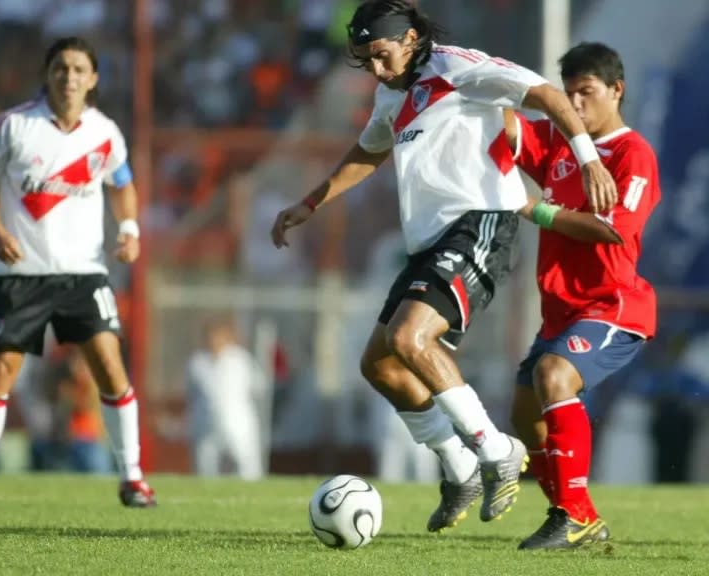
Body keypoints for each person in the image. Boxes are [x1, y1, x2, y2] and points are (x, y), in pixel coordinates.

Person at [270, 0, 617, 531]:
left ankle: (494, 448)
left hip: (481, 222)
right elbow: (368, 152)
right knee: (380, 365)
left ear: (410, 38)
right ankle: (458, 466)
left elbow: (546, 95)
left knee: (411, 340)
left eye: (382, 55)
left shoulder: (460, 67)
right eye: (368, 61)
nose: (378, 70)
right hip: (429, 242)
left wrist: (589, 158)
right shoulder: (391, 94)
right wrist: (310, 203)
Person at [0, 36, 156, 509]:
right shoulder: (16, 125)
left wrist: (128, 226)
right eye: (61, 68)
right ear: (49, 75)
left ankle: (133, 478)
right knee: (0, 369)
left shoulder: (105, 133)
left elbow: (122, 184)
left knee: (109, 367)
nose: (69, 76)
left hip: (83, 273)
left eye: (79, 69)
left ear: (93, 78)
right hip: (21, 274)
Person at [506, 42, 660, 549]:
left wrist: (538, 211)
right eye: (566, 94)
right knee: (525, 416)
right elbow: (507, 127)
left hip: (612, 305)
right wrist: (483, 81)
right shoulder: (557, 140)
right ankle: (585, 519)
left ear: (617, 91)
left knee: (553, 377)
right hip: (560, 312)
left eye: (586, 93)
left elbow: (614, 230)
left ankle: (569, 515)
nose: (574, 105)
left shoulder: (632, 153)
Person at [185, 315, 268, 480]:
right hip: (206, 423)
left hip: (238, 421)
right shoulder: (197, 362)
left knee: (246, 464)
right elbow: (191, 392)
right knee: (206, 467)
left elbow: (258, 387)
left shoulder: (240, 359)